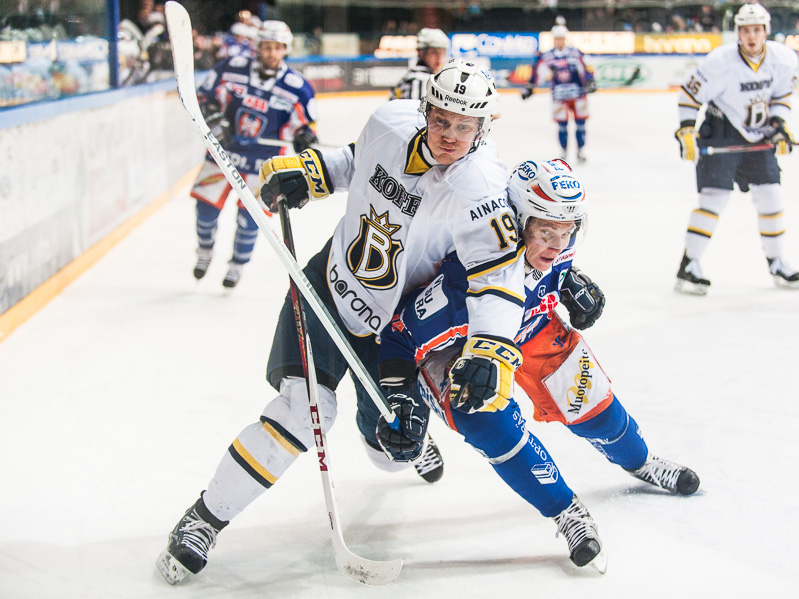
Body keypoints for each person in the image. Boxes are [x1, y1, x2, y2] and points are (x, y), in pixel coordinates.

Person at [157, 59, 526, 584]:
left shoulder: (482, 189)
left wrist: (492, 348)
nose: (449, 134)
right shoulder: (390, 122)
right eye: (441, 119)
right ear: (427, 110)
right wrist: (311, 172)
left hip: (397, 331)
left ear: (484, 126)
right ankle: (204, 520)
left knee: (388, 453)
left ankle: (409, 445)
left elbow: (498, 279)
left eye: (463, 126)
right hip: (328, 288)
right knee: (302, 413)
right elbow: (356, 162)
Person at [374, 159, 700, 565]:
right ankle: (566, 510)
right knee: (485, 421)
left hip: (532, 329)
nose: (558, 245)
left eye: (567, 232)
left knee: (594, 406)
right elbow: (399, 338)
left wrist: (568, 280)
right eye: (547, 232)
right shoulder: (461, 288)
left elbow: (553, 255)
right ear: (514, 223)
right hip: (463, 349)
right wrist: (401, 397)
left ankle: (641, 461)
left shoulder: (553, 242)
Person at [674, 3, 799, 295]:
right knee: (713, 199)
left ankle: (777, 260)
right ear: (738, 32)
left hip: (759, 135)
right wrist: (686, 131)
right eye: (746, 30)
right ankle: (689, 265)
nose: (752, 36)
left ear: (766, 31)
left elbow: (782, 95)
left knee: (771, 195)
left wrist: (780, 125)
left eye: (757, 30)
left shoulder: (783, 59)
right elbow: (689, 94)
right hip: (721, 132)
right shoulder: (720, 62)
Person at [190, 20, 318, 289]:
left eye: (278, 48)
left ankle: (237, 265)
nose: (272, 53)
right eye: (267, 47)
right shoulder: (230, 68)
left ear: (286, 49)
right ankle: (204, 252)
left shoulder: (297, 86)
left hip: (264, 164)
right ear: (257, 47)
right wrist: (214, 118)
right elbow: (203, 97)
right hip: (223, 154)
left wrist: (304, 137)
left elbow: (305, 125)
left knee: (250, 220)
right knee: (205, 209)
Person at [521, 19, 595, 163]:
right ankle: (564, 151)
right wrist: (530, 86)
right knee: (562, 125)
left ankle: (580, 151)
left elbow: (587, 66)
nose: (559, 41)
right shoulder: (547, 56)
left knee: (580, 124)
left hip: (578, 94)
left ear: (565, 39)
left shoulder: (575, 53)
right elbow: (537, 72)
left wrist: (590, 80)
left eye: (561, 39)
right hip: (559, 96)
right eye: (557, 39)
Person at [389, 27, 450, 101]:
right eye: (434, 52)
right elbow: (417, 111)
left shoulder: (409, 76)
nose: (439, 57)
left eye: (442, 52)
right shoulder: (420, 80)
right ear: (421, 53)